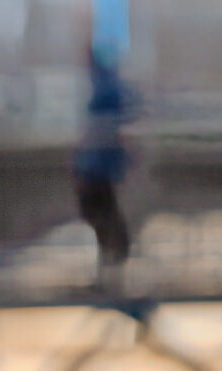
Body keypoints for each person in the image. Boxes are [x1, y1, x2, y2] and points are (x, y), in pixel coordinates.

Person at [73, 43, 135, 286]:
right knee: (102, 214)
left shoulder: (103, 87)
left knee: (101, 213)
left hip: (98, 165)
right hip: (99, 165)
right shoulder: (107, 85)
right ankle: (112, 261)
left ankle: (114, 259)